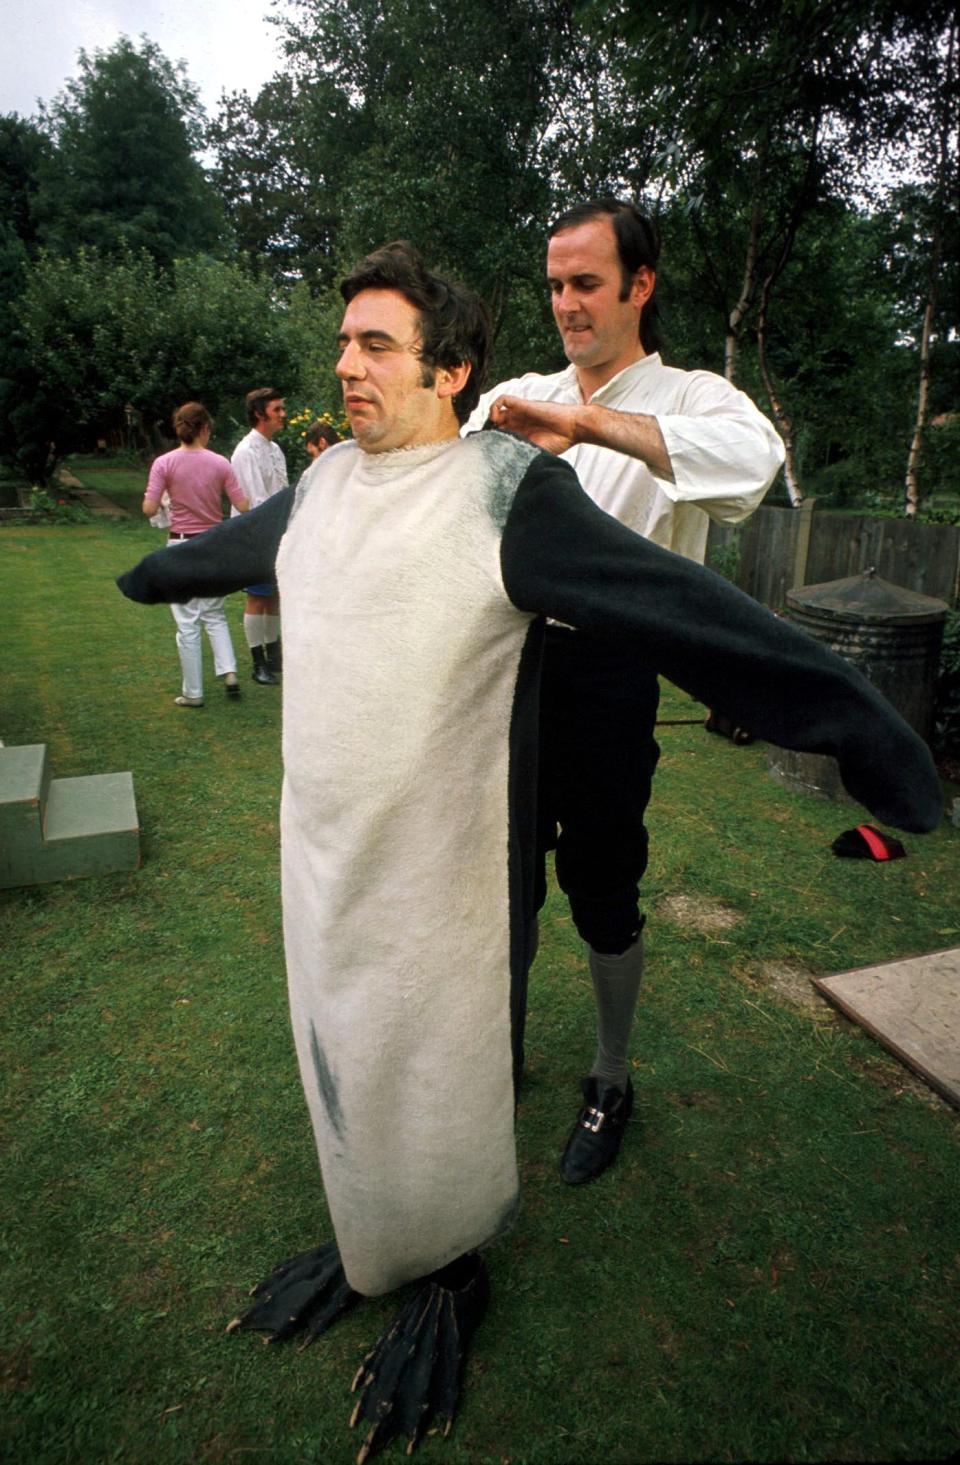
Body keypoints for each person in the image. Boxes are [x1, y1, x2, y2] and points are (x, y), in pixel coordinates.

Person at [117, 242, 940, 1461]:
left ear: (450, 369)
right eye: (344, 341)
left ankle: (450, 1266)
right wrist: (153, 572)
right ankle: (371, 1240)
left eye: (377, 344)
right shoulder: (329, 483)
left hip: (434, 854)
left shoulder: (503, 489)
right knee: (338, 1034)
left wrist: (871, 738)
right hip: (319, 859)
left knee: (434, 1033)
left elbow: (686, 607)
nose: (345, 365)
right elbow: (232, 554)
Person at [466, 198, 787, 1184]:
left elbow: (756, 468)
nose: (565, 302)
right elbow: (451, 479)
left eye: (586, 283)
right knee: (502, 879)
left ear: (639, 286)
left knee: (601, 885)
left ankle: (611, 1076)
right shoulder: (518, 390)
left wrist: (590, 423)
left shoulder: (692, 398)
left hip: (610, 674)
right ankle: (500, 1050)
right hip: (508, 669)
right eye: (555, 283)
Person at [141, 401, 249, 707]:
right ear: (205, 428)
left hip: (181, 546)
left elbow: (148, 508)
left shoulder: (164, 464)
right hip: (213, 545)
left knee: (187, 622)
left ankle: (193, 693)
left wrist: (163, 502)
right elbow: (243, 506)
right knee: (214, 613)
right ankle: (229, 673)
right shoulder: (220, 463)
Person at [230, 387, 288, 684]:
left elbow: (281, 491)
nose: (282, 414)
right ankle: (258, 662)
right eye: (276, 409)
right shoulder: (246, 451)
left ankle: (274, 653)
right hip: (253, 535)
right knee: (257, 597)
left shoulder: (274, 449)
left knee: (274, 596)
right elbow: (253, 500)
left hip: (276, 533)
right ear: (258, 413)